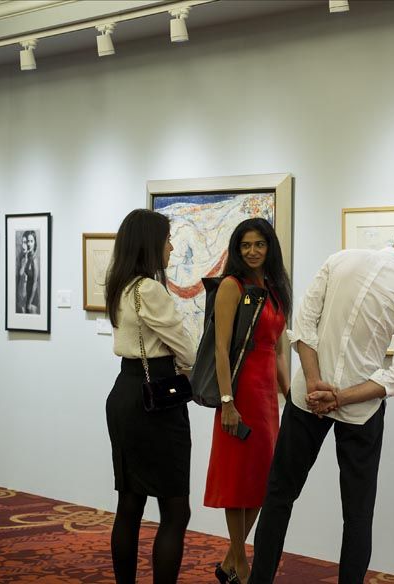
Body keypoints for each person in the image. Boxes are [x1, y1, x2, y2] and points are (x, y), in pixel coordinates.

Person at [249, 223, 394, 584]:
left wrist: (316, 381)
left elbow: (303, 324)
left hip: (308, 397)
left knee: (279, 495)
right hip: (361, 409)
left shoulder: (340, 259)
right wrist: (341, 397)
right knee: (357, 513)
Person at [104, 209, 198, 584]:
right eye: (167, 239)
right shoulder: (149, 289)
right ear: (150, 244)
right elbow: (187, 351)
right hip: (155, 398)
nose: (172, 247)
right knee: (176, 509)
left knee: (129, 503)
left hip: (125, 392)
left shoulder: (120, 285)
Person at [203, 218, 292, 584]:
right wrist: (227, 402)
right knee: (237, 482)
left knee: (263, 482)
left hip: (266, 396)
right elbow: (222, 349)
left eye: (259, 244)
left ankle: (227, 563)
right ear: (236, 251)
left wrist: (292, 395)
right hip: (238, 394)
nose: (252, 251)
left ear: (270, 248)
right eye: (245, 246)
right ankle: (240, 565)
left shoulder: (273, 288)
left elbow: (279, 351)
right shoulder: (231, 285)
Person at [16, 230, 39, 314]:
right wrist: (25, 260)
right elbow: (21, 274)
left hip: (32, 297)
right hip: (24, 295)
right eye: (28, 241)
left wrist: (29, 302)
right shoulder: (25, 258)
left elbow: (35, 283)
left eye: (31, 241)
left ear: (34, 242)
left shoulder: (35, 260)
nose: (29, 244)